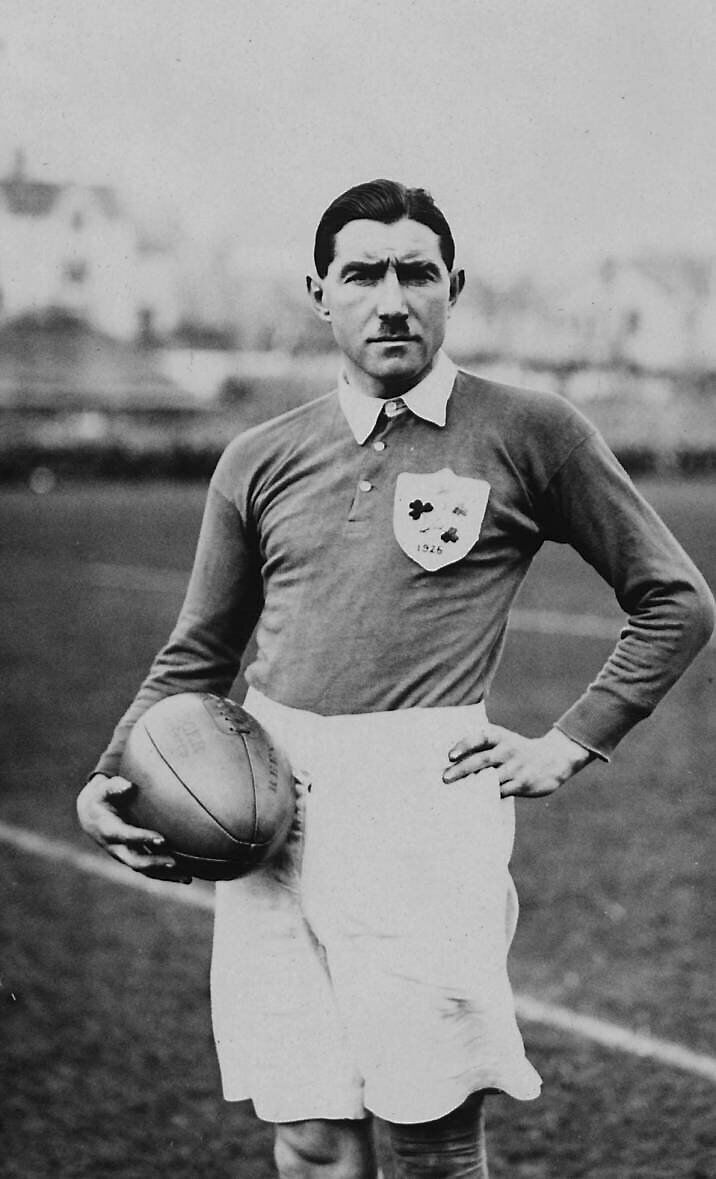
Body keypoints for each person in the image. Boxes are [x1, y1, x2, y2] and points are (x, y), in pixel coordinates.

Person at [76, 179, 714, 1178]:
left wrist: (570, 742)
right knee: (310, 1137)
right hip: (266, 804)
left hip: (421, 809)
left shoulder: (529, 430)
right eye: (361, 274)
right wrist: (109, 779)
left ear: (452, 286)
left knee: (431, 1138)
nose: (391, 300)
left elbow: (674, 598)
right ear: (318, 292)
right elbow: (198, 652)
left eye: (416, 273)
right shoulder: (259, 456)